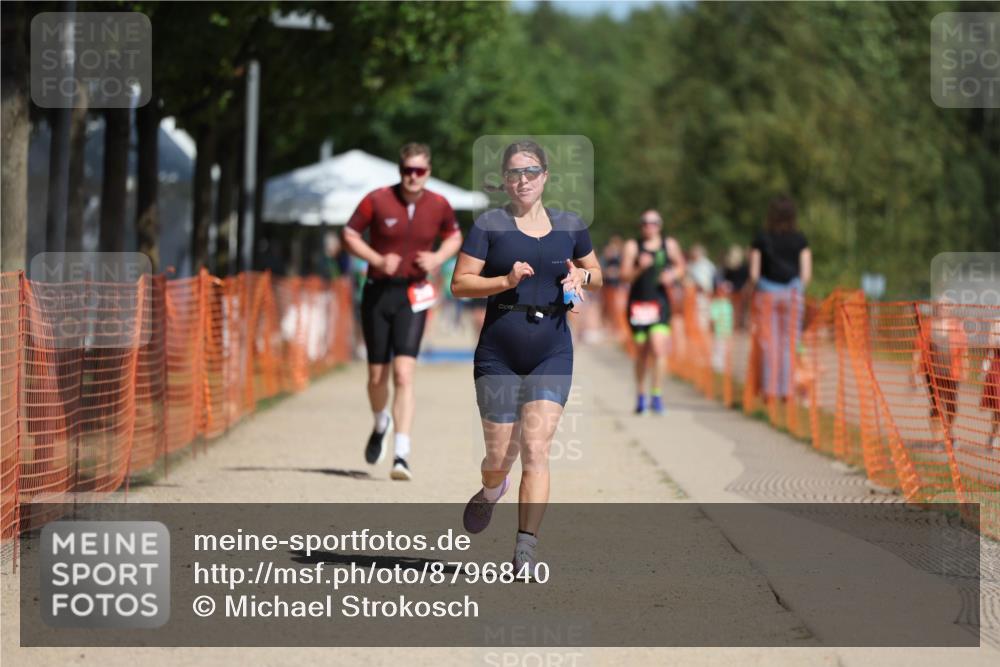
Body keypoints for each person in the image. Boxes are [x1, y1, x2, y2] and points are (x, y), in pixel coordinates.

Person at [451, 140, 601, 574]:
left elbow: (599, 275)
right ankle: (491, 489)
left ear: (545, 177)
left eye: (531, 171)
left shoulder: (570, 225)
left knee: (536, 448)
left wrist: (583, 274)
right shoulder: (489, 226)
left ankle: (525, 548)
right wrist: (504, 279)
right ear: (504, 180)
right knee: (499, 459)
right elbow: (459, 284)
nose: (524, 180)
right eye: (515, 173)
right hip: (499, 352)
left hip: (551, 349)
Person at [342, 142, 463, 480]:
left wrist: (438, 258)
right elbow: (349, 233)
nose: (413, 177)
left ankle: (402, 455)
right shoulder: (377, 199)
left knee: (404, 374)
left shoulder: (439, 204)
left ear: (428, 173)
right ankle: (381, 421)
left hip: (413, 294)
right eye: (408, 170)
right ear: (400, 171)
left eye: (420, 171)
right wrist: (377, 259)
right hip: (378, 293)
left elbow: (455, 237)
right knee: (377, 377)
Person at [620, 210, 685, 415]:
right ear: (641, 226)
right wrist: (640, 267)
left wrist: (673, 274)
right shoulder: (633, 246)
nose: (650, 226)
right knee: (642, 352)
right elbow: (624, 276)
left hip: (660, 304)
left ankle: (656, 395)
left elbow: (681, 265)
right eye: (645, 223)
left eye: (654, 223)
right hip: (638, 305)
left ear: (660, 225)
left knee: (658, 348)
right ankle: (641, 395)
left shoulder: (669, 244)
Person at [749, 195, 811, 403]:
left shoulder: (762, 238)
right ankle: (787, 392)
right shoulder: (800, 239)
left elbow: (754, 273)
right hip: (792, 294)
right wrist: (796, 289)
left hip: (767, 293)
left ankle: (770, 391)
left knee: (770, 344)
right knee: (789, 343)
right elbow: (806, 273)